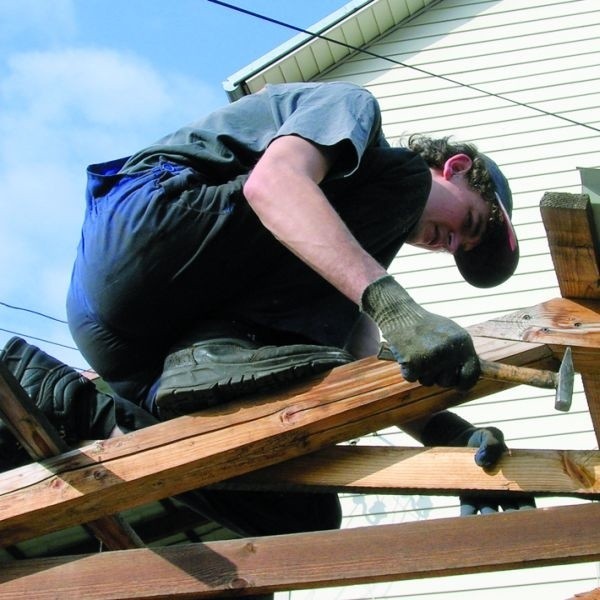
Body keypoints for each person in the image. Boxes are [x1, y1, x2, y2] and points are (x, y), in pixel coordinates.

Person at [0, 82, 534, 560]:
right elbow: (273, 185)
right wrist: (397, 308)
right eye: (469, 223)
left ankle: (74, 406)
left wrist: (445, 435)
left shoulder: (341, 254)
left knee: (303, 513)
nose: (451, 243)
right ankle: (218, 350)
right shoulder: (353, 114)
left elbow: (358, 356)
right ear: (457, 167)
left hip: (132, 354)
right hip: (147, 234)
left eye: (460, 249)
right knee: (394, 184)